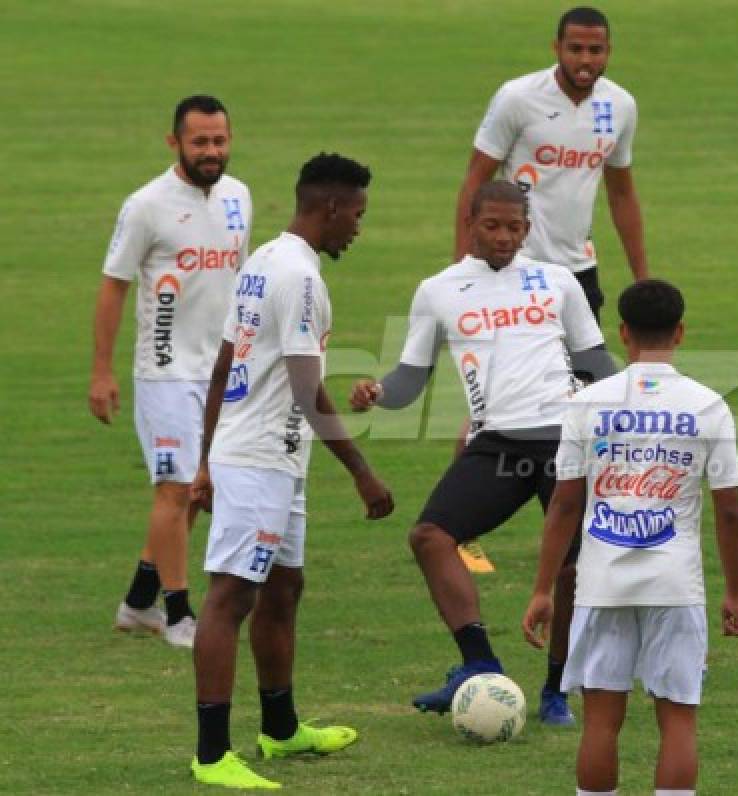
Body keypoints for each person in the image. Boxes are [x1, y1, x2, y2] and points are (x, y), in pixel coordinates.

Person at [350, 180, 617, 726]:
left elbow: (595, 362)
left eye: (515, 227)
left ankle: (557, 689)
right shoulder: (439, 291)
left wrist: (622, 416)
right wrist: (378, 392)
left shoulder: (558, 282)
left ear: (528, 227)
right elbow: (410, 377)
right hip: (497, 441)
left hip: (565, 437)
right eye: (492, 225)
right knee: (430, 536)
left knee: (573, 569)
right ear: (471, 223)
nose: (504, 237)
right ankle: (479, 666)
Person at [187, 153, 393, 790]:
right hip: (257, 462)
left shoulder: (264, 261)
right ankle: (212, 753)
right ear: (329, 208)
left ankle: (280, 730)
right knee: (230, 599)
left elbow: (225, 365)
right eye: (355, 214)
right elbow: (308, 391)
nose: (357, 228)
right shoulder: (301, 279)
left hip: (272, 459)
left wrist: (201, 461)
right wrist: (362, 471)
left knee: (284, 589)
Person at [523, 278, 738, 796]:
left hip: (602, 584)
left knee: (602, 721)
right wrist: (734, 591)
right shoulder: (708, 405)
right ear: (681, 332)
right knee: (678, 721)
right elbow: (730, 511)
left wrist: (541, 589)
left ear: (622, 332)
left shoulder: (588, 403)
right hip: (675, 585)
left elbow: (564, 504)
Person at [91, 95, 252, 649]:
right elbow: (114, 286)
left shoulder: (238, 197)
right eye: (200, 141)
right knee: (176, 490)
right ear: (174, 142)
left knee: (200, 491)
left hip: (220, 373)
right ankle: (181, 614)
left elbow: (235, 283)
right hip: (164, 372)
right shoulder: (146, 205)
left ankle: (139, 602)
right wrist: (101, 372)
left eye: (220, 140)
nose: (212, 151)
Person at [455, 5, 648, 317]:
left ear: (608, 51)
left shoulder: (620, 106)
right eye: (575, 49)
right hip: (515, 262)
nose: (585, 60)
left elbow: (622, 194)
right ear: (556, 47)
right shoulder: (518, 98)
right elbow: (476, 181)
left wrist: (642, 280)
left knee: (588, 367)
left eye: (595, 50)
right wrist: (463, 268)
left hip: (579, 269)